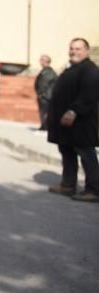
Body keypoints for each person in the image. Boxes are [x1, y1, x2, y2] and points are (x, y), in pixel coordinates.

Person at [46, 38, 99, 202]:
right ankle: (68, 185)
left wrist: (73, 111)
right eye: (72, 49)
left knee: (86, 153)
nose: (74, 52)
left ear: (86, 50)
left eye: (78, 49)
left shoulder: (89, 69)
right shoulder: (72, 68)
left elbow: (89, 94)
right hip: (66, 122)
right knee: (67, 151)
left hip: (80, 120)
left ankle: (94, 190)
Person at [34, 54, 58, 131]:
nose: (40, 61)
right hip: (45, 95)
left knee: (45, 112)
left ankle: (45, 126)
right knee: (43, 112)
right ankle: (44, 126)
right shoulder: (45, 71)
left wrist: (40, 94)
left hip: (46, 96)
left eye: (42, 60)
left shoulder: (48, 72)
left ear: (46, 61)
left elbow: (43, 84)